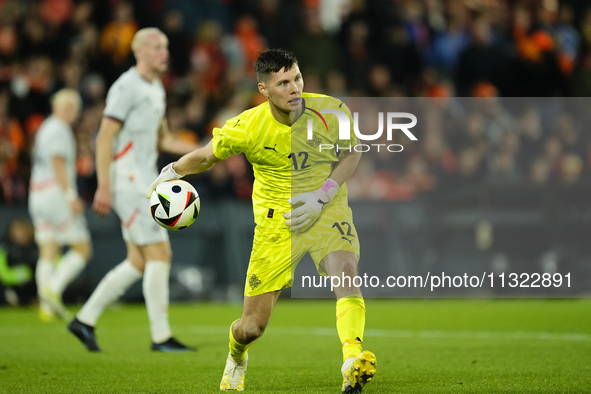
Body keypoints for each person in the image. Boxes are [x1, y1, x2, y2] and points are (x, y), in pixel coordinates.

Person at [147, 49, 377, 393]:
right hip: (275, 224)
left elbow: (353, 151)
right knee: (251, 327)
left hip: (325, 208)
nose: (294, 88)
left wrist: (323, 194)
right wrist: (171, 172)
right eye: (283, 82)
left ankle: (351, 362)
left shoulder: (330, 110)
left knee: (344, 271)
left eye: (297, 78)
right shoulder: (249, 126)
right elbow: (207, 156)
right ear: (264, 88)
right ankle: (237, 356)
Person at [67, 28, 196, 353]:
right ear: (138, 51)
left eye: (165, 47)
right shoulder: (127, 86)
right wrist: (104, 186)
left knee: (139, 261)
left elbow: (163, 139)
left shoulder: (155, 88)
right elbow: (105, 136)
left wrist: (210, 149)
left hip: (145, 181)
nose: (163, 52)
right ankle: (161, 337)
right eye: (156, 47)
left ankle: (84, 320)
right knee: (160, 254)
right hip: (128, 182)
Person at [28, 88, 92, 322]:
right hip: (55, 194)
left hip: (37, 193)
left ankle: (46, 306)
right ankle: (52, 289)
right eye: (70, 108)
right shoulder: (59, 129)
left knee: (48, 249)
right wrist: (70, 195)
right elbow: (57, 161)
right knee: (82, 248)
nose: (73, 113)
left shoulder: (46, 127)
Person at [0, 218, 38, 306]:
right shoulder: (5, 248)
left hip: (35, 286)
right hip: (11, 287)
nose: (19, 234)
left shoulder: (37, 247)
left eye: (22, 230)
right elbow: (3, 273)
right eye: (16, 231)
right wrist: (22, 274)